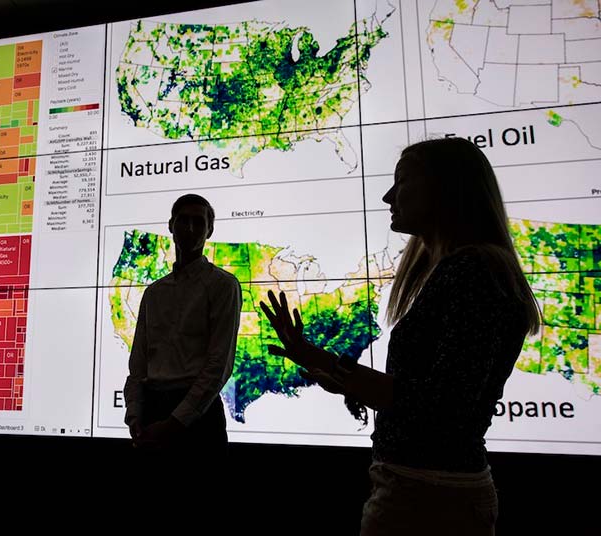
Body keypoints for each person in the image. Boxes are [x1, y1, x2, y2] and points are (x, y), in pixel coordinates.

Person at [261, 137, 540, 536]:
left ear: (447, 189)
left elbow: (438, 407)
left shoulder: (473, 273)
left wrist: (320, 359)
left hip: (430, 500)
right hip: (422, 491)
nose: (388, 195)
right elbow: (425, 398)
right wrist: (335, 376)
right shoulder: (460, 270)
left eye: (403, 181)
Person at [123, 193, 242, 465]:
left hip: (198, 421)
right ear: (170, 225)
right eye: (183, 220)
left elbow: (218, 366)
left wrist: (175, 423)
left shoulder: (223, 286)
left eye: (198, 223)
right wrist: (134, 415)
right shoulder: (154, 293)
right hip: (152, 413)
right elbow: (138, 365)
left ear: (209, 230)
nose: (190, 229)